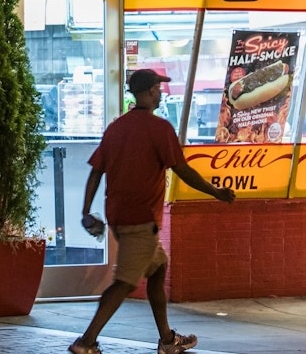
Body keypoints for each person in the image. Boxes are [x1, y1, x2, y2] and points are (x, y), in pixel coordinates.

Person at [68, 69, 237, 354]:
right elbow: (182, 169)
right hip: (141, 220)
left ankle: (167, 339)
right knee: (123, 283)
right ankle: (86, 341)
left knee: (158, 268)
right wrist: (216, 192)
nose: (161, 92)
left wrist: (86, 211)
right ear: (148, 92)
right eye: (158, 88)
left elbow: (96, 171)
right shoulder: (159, 129)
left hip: (121, 218)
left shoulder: (116, 128)